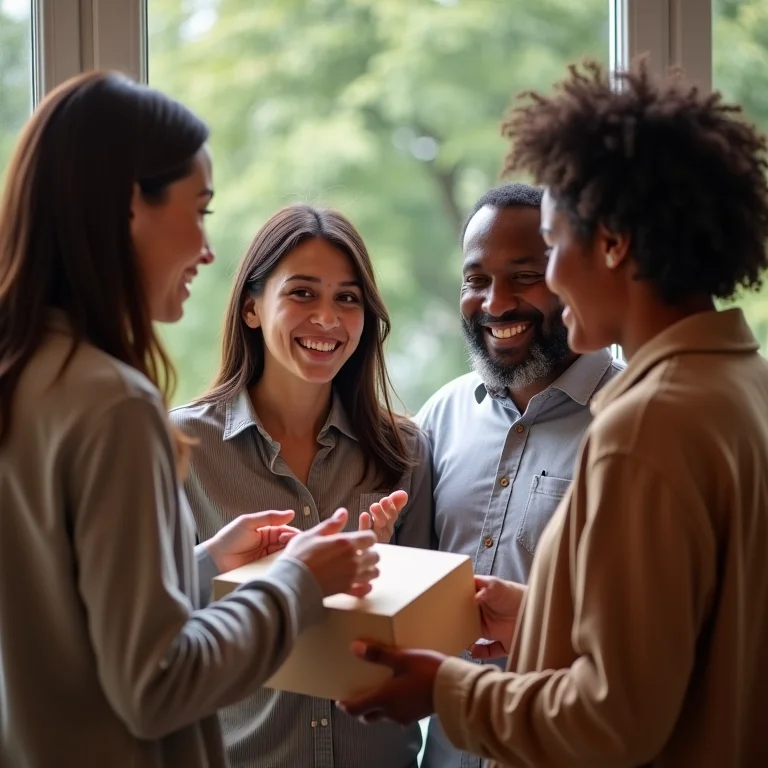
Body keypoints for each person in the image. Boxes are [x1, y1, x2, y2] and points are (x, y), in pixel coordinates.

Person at [338, 60, 768, 767]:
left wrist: (447, 689)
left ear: (612, 243)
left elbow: (613, 717)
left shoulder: (646, 424)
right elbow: (693, 637)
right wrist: (540, 618)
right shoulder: (743, 385)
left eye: (552, 247)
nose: (555, 281)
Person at [0, 71, 381, 768]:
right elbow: (156, 684)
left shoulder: (25, 377)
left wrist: (200, 566)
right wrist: (296, 581)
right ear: (129, 207)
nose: (208, 249)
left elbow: (70, 624)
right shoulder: (114, 405)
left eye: (348, 298)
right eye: (199, 210)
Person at [170, 203, 433, 768]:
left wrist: (386, 575)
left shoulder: (404, 450)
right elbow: (150, 628)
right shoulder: (182, 447)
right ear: (251, 308)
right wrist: (215, 564)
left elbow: (424, 644)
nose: (328, 319)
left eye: (348, 298)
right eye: (303, 293)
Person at [415, 181, 623, 768]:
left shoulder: (633, 420)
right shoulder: (440, 417)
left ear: (571, 276)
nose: (496, 302)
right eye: (476, 279)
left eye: (525, 275)